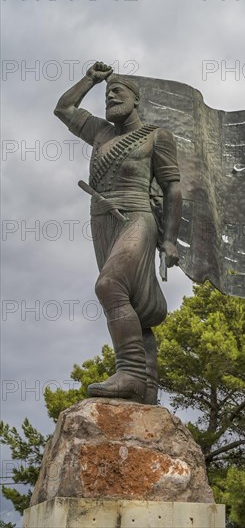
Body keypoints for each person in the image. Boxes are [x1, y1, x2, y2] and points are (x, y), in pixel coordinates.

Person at [54, 61, 182, 404]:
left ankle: (130, 373)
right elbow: (64, 108)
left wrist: (169, 238)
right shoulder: (100, 132)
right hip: (102, 220)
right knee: (132, 303)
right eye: (107, 94)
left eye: (117, 92)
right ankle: (147, 390)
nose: (109, 97)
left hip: (137, 216)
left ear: (135, 100)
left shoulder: (157, 136)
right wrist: (90, 80)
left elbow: (173, 189)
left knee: (109, 285)